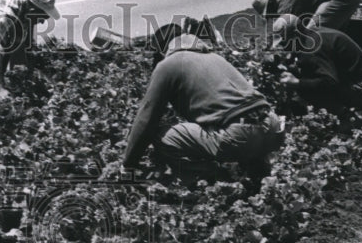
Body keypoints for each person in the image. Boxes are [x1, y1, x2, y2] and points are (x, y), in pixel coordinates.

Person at [121, 32, 285, 181]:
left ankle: (213, 180)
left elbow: (146, 119)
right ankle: (256, 178)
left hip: (240, 136)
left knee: (161, 136)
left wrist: (128, 165)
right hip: (273, 126)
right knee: (237, 131)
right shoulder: (214, 57)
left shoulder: (168, 65)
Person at [273, 14, 362, 114]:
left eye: (284, 43)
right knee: (304, 79)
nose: (283, 47)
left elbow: (330, 81)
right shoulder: (308, 36)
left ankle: (344, 116)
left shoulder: (312, 49)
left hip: (361, 87)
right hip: (351, 78)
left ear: (295, 35)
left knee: (307, 90)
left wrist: (298, 82)